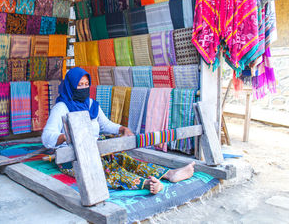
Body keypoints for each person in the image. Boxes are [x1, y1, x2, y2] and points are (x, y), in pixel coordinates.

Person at [42, 67, 195, 194]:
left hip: (95, 148)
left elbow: (105, 125)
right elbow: (47, 137)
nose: (84, 88)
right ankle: (149, 184)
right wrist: (67, 137)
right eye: (79, 85)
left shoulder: (90, 104)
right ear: (70, 86)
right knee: (106, 170)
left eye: (86, 84)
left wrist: (122, 128)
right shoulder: (61, 108)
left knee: (123, 159)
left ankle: (169, 174)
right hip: (72, 156)